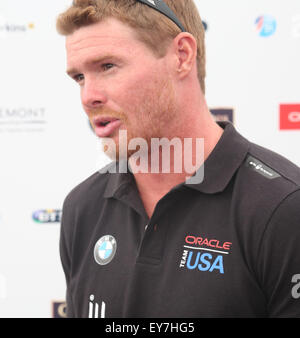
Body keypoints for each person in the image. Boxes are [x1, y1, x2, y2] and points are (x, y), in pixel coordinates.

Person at [56, 0, 300, 318]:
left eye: (107, 66)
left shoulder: (282, 207)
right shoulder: (82, 207)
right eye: (79, 77)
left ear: (181, 56)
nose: (89, 96)